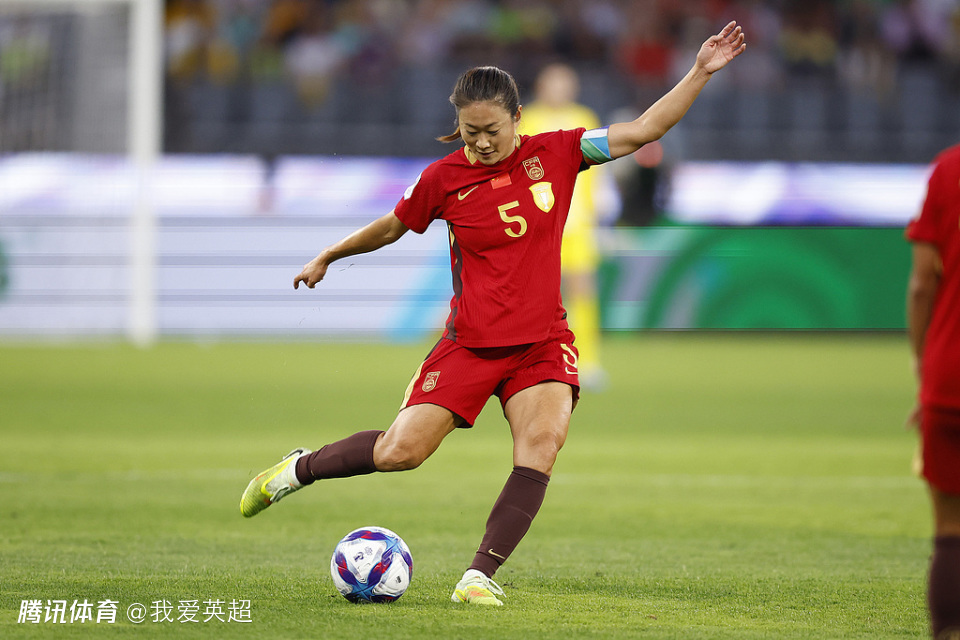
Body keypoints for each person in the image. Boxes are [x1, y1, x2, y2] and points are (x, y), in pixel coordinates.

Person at [240, 21, 747, 606]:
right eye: (470, 132)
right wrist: (330, 254)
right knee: (400, 453)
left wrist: (699, 71)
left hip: (541, 342)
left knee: (542, 445)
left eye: (492, 131)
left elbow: (645, 129)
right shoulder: (442, 179)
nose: (480, 143)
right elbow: (392, 227)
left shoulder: (560, 151)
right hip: (471, 343)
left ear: (517, 118)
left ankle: (478, 576)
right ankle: (297, 470)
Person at [519, 63, 609, 389]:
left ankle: (588, 362)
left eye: (565, 83)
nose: (559, 89)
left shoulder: (585, 118)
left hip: (578, 223)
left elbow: (599, 170)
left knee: (582, 291)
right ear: (541, 87)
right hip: (539, 225)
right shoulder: (526, 119)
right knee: (534, 295)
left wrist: (601, 214)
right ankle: (533, 361)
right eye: (553, 83)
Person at [907, 142, 960, 639]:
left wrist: (924, 369)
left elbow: (924, 283)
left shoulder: (948, 169)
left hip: (950, 373)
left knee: (949, 527)